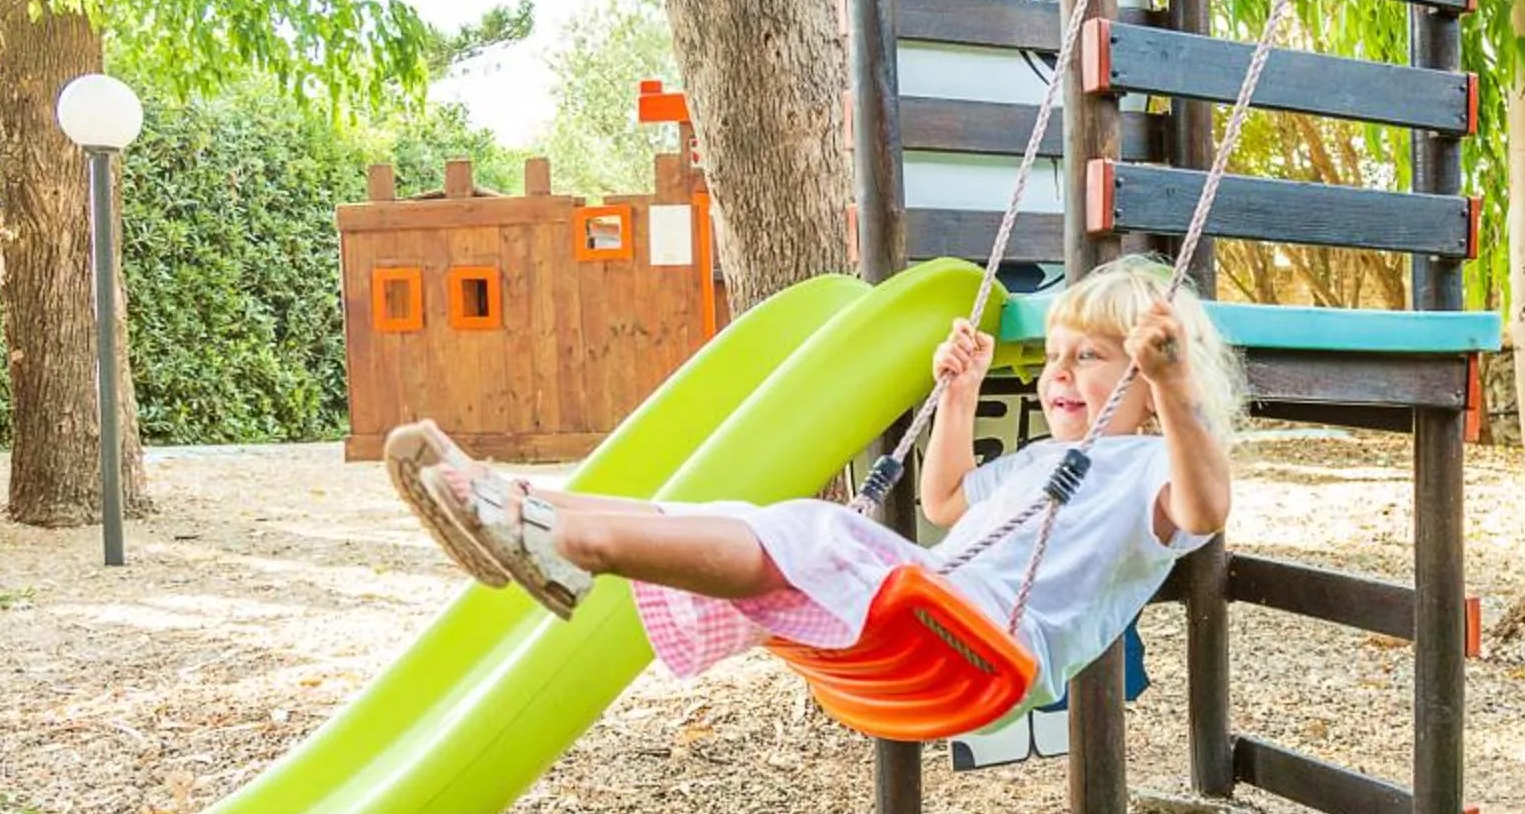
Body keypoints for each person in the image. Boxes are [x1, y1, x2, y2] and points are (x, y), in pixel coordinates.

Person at [386, 258, 1242, 703]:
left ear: (1148, 371)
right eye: (1053, 358)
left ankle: (579, 544)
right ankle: (516, 506)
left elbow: (1205, 507)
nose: (1059, 376)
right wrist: (962, 394)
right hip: (944, 602)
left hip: (987, 641)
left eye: (1089, 358)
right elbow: (945, 503)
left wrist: (1171, 389)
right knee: (727, 516)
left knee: (812, 528)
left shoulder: (1149, 472)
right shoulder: (1045, 464)